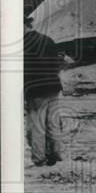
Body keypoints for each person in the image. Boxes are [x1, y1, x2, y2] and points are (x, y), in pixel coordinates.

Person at [23, 16, 64, 167]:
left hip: (36, 90)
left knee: (38, 125)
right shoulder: (47, 39)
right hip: (53, 87)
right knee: (53, 123)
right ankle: (56, 155)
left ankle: (39, 159)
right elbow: (59, 61)